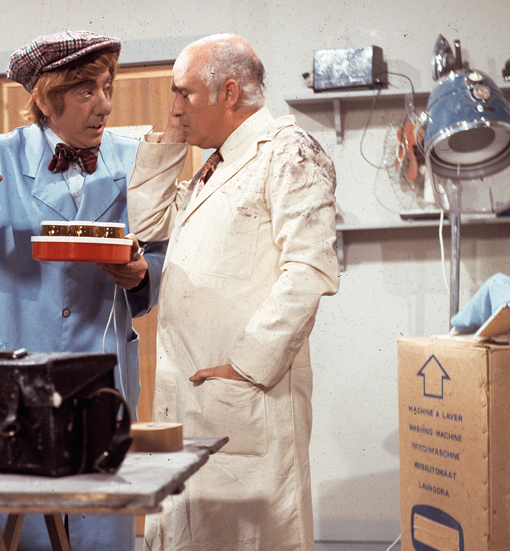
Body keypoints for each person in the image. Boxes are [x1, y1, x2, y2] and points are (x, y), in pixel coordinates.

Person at [0, 30, 165, 551]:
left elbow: (159, 256)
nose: (105, 105)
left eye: (107, 88)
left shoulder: (135, 161)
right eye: (87, 91)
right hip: (12, 382)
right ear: (46, 100)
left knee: (98, 526)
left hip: (100, 376)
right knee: (14, 532)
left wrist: (142, 275)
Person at [126, 34, 340, 551]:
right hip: (193, 394)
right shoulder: (215, 164)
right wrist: (173, 138)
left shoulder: (288, 152)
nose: (175, 108)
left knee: (251, 537)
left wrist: (247, 365)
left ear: (228, 93)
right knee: (189, 531)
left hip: (245, 390)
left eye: (183, 94)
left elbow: (309, 270)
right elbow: (147, 223)